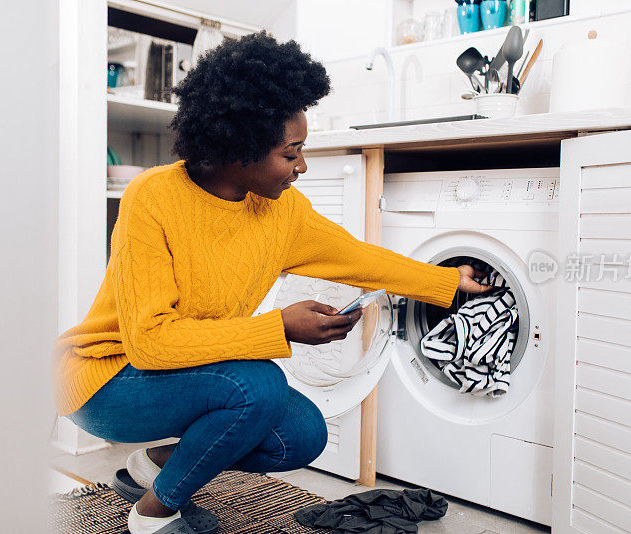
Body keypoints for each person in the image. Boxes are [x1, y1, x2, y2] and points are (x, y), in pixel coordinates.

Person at [52, 31, 492, 534]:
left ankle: (155, 468)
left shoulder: (281, 212)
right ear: (239, 148)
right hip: (107, 381)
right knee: (259, 385)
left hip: (196, 375)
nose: (301, 166)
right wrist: (278, 327)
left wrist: (442, 281)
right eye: (292, 153)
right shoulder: (152, 198)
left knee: (301, 436)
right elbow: (151, 343)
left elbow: (354, 257)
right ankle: (154, 513)